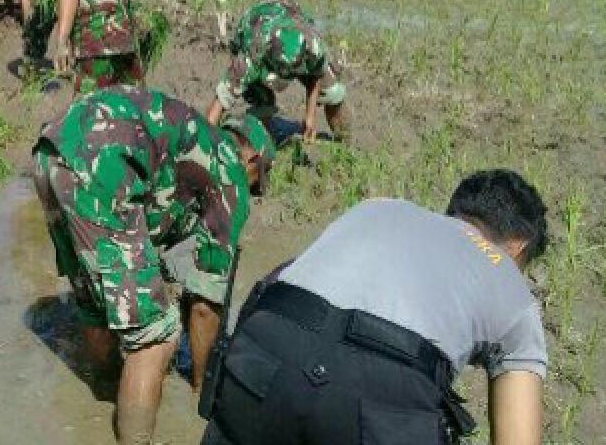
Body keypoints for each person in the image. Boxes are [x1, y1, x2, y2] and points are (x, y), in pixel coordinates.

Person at [199, 169, 549, 445]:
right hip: (383, 391)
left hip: (267, 346)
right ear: (519, 247)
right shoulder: (511, 281)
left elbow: (272, 283)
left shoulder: (379, 208)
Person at [33, 86, 274, 445]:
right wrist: (200, 388)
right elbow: (206, 307)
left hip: (53, 149)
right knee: (157, 334)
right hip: (104, 161)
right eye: (259, 179)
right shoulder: (231, 170)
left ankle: (105, 386)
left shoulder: (197, 136)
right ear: (252, 159)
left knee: (94, 298)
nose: (251, 190)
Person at [206, 0, 349, 143]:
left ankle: (344, 142)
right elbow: (221, 100)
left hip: (287, 13)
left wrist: (310, 116)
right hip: (253, 26)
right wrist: (207, 141)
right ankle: (263, 135)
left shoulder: (313, 47)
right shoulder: (251, 57)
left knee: (333, 93)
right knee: (264, 103)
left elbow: (316, 74)